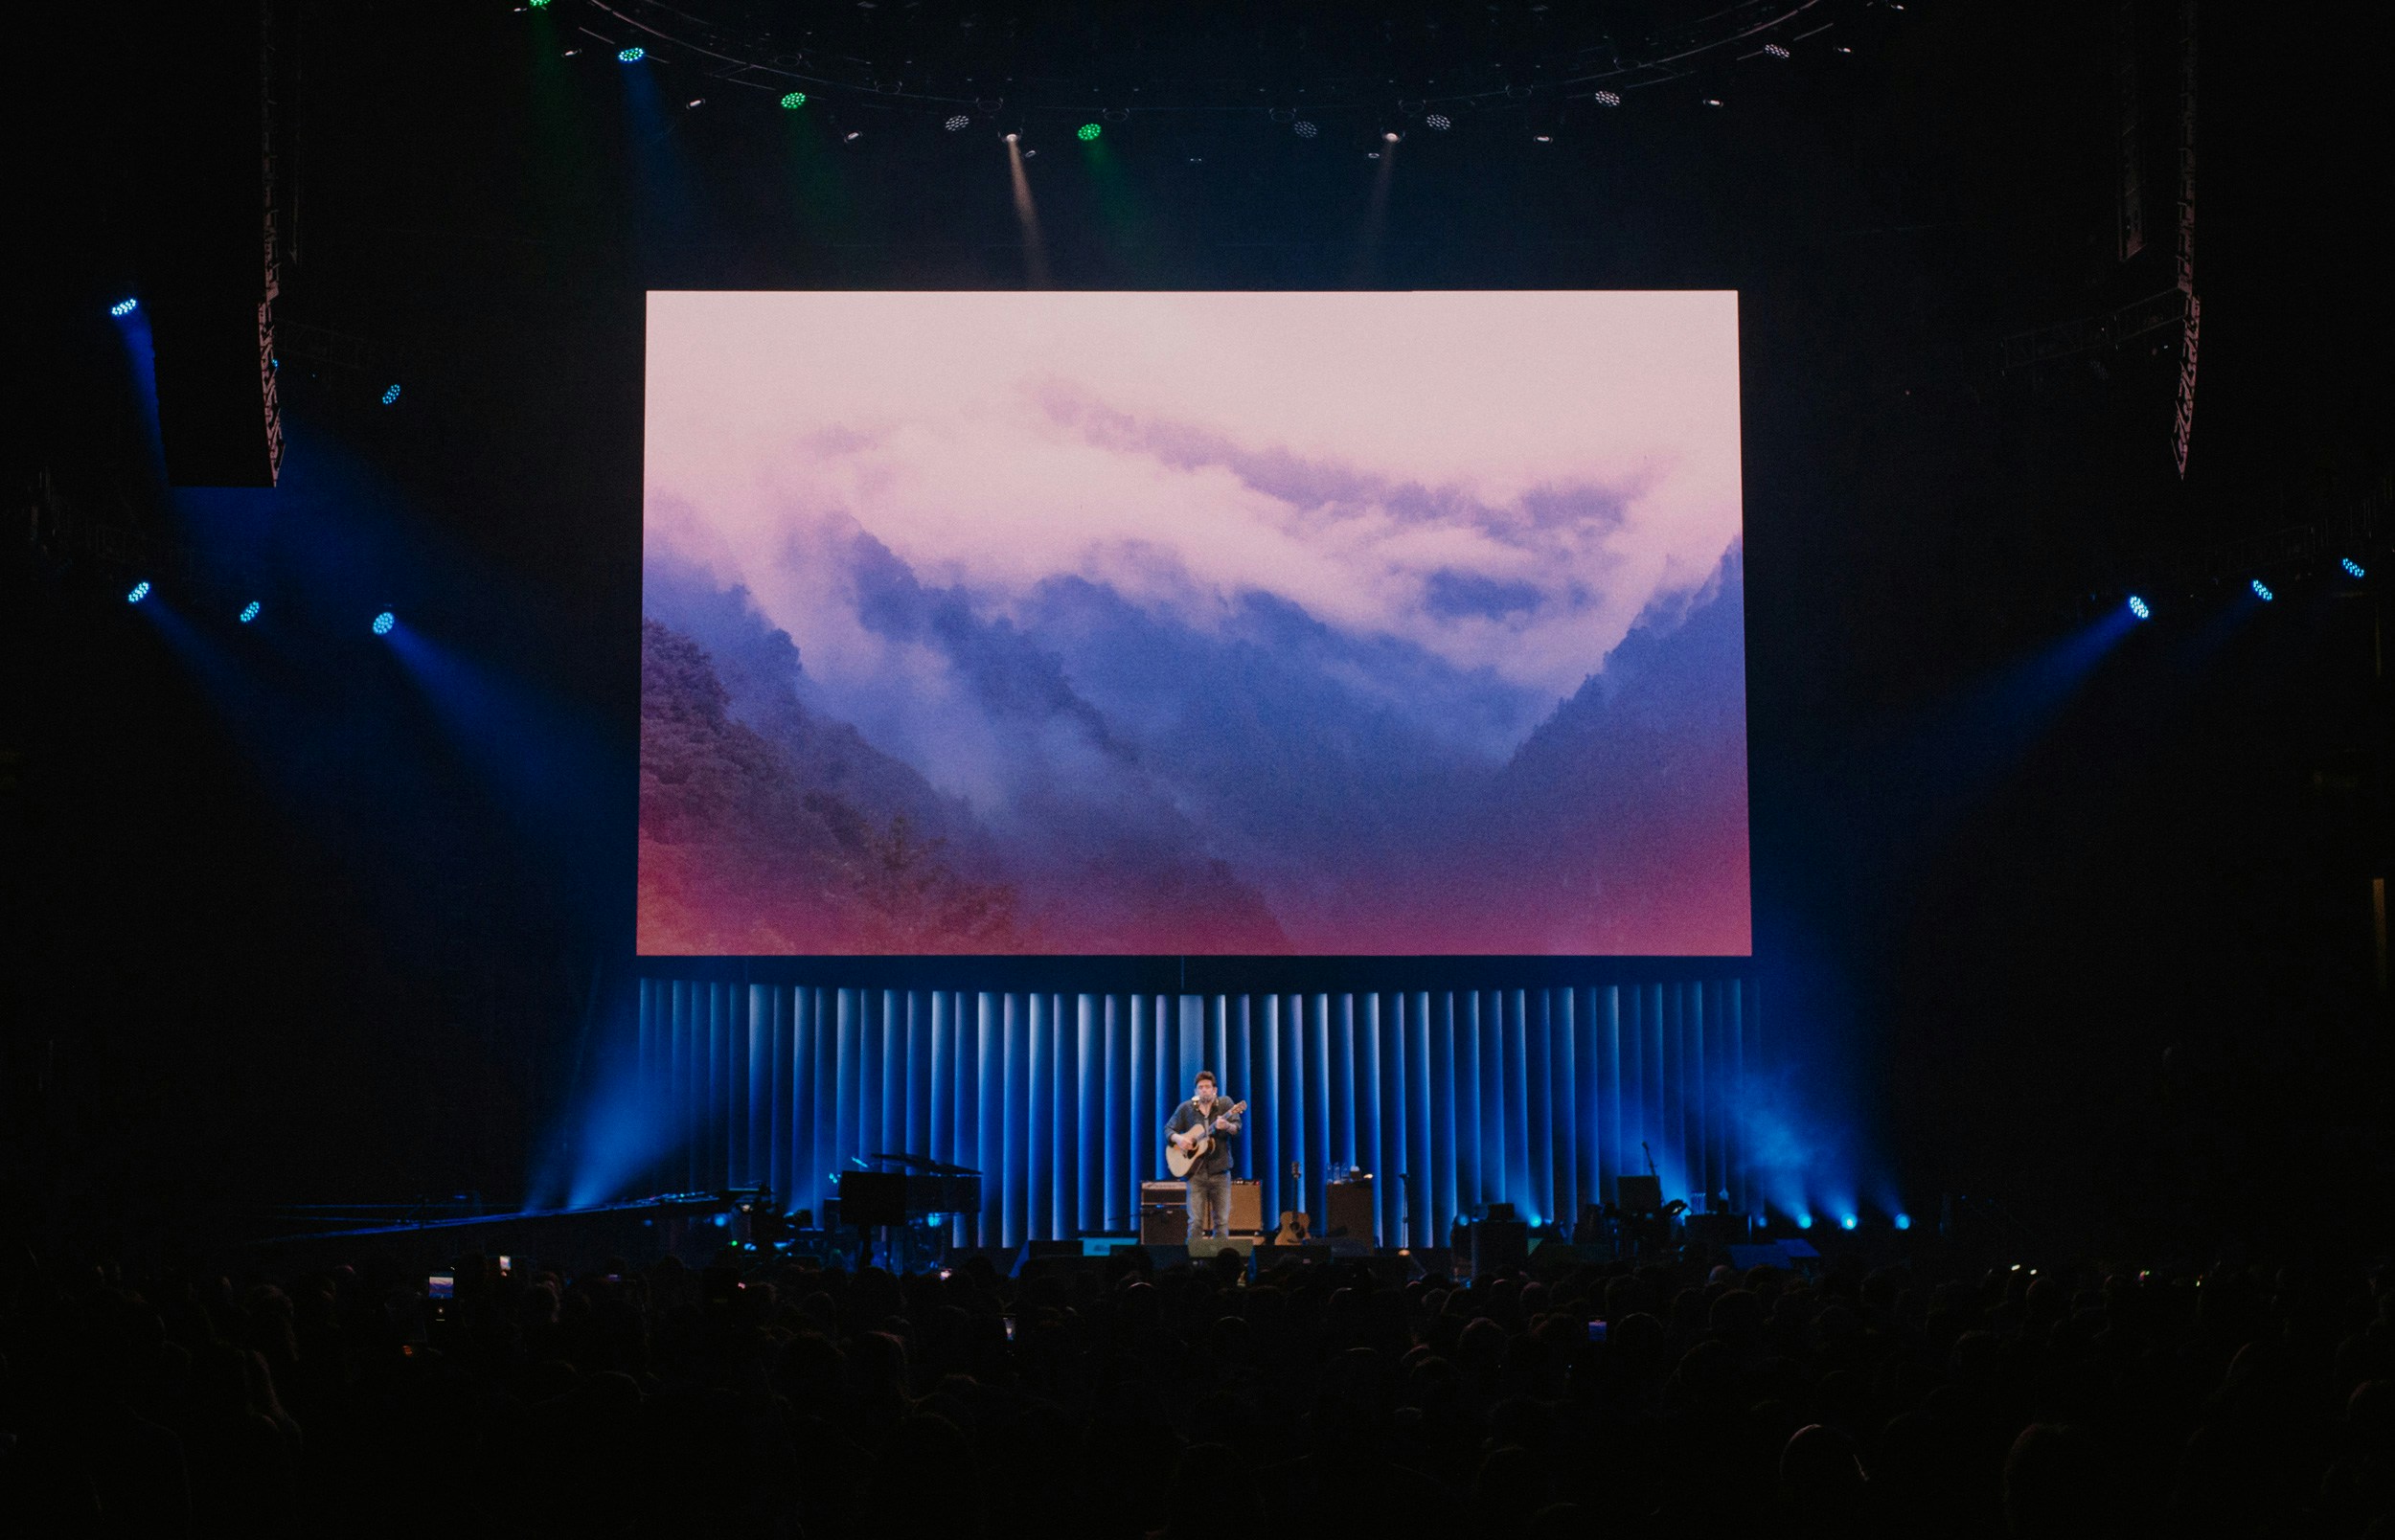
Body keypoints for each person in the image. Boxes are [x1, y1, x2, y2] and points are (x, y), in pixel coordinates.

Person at [1165, 1070, 1242, 1241]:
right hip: (1196, 1174)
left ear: (1215, 1090)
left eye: (1208, 1087)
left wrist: (1226, 1126)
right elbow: (1168, 1130)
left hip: (1220, 1172)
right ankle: (1192, 1263)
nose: (1204, 1090)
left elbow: (1237, 1128)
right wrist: (1179, 1139)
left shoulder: (1226, 1103)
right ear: (1196, 1092)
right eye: (1200, 1088)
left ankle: (1220, 1263)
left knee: (1221, 1222)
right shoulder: (1186, 1109)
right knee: (1195, 1222)